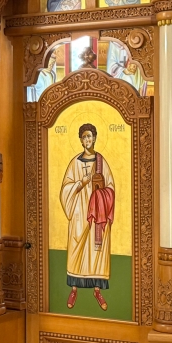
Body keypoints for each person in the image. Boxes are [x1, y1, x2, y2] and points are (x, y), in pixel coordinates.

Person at [60, 124, 115, 311]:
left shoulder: (101, 162)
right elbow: (65, 189)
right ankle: (74, 289)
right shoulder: (75, 163)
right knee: (77, 246)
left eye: (90, 136)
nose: (87, 140)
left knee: (97, 249)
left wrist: (102, 195)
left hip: (98, 213)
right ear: (81, 140)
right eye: (84, 137)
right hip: (78, 211)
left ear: (95, 138)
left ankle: (97, 290)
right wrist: (80, 183)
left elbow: (111, 187)